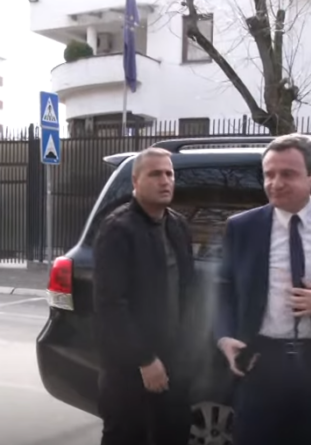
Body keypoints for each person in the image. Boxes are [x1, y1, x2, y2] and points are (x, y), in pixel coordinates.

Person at [215, 134, 311, 445]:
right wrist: (224, 337)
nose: (275, 183)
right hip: (261, 364)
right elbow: (224, 289)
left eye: (288, 174)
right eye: (269, 174)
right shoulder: (241, 226)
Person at [93, 147, 195, 445]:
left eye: (169, 174)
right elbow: (111, 304)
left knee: (173, 432)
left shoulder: (178, 225)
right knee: (126, 435)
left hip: (174, 361)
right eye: (155, 174)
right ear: (136, 181)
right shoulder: (118, 229)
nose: (165, 180)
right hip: (129, 368)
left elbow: (188, 289)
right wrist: (145, 360)